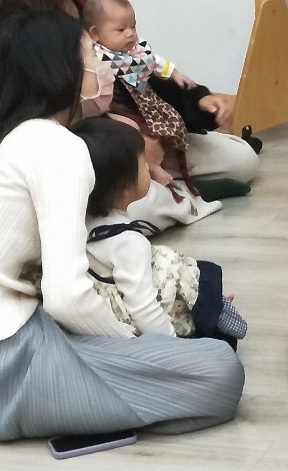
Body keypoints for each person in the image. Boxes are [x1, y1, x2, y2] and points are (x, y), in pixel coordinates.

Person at [0, 11, 244, 441]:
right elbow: (68, 297)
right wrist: (141, 351)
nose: (103, 65)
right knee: (219, 369)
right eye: (92, 53)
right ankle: (100, 406)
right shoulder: (56, 146)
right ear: (62, 71)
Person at [0, 0, 259, 227]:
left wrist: (199, 100)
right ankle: (169, 194)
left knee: (242, 160)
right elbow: (46, 123)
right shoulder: (22, 29)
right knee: (137, 208)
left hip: (139, 132)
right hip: (85, 148)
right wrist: (127, 145)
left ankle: (172, 187)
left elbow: (139, 68)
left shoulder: (89, 7)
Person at [75, 117, 248, 345]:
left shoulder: (78, 225)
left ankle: (212, 305)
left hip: (116, 308)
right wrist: (173, 349)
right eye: (143, 165)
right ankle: (216, 311)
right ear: (125, 187)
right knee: (202, 276)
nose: (149, 168)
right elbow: (144, 310)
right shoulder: (128, 243)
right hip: (157, 327)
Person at [83, 0, 196, 189]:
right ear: (95, 34)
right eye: (120, 30)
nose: (130, 33)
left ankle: (176, 161)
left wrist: (176, 74)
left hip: (143, 103)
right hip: (116, 109)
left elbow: (155, 62)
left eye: (133, 26)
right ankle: (151, 168)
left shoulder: (135, 51)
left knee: (167, 123)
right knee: (136, 132)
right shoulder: (97, 57)